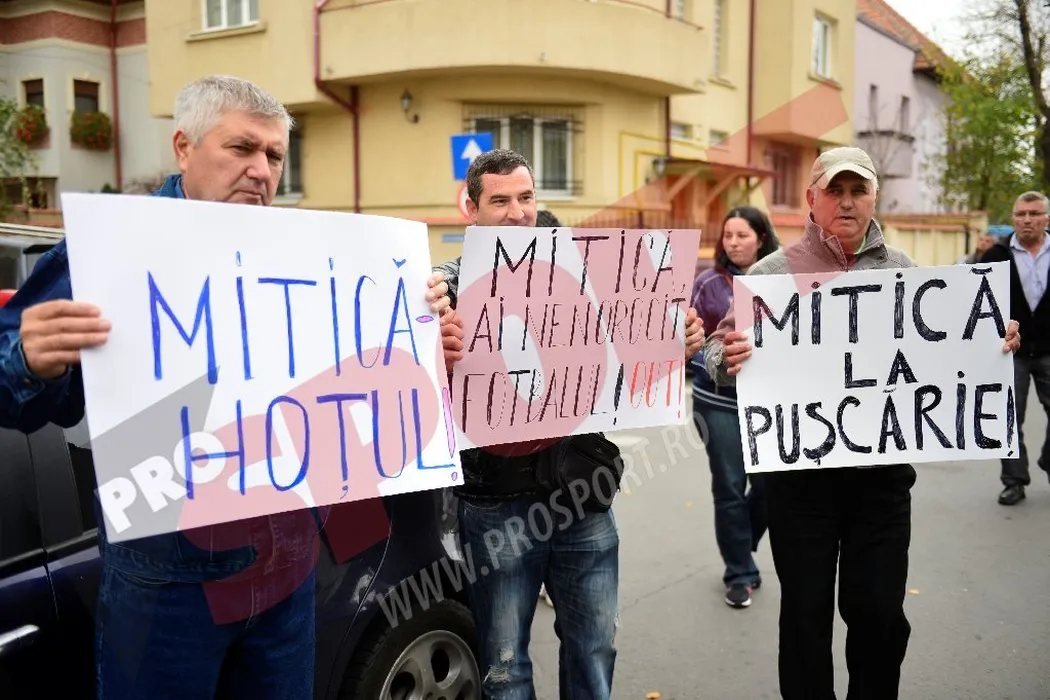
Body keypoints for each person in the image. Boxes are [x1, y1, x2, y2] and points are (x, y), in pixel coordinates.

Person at [0, 74, 459, 700]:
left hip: (289, 572)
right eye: (241, 148)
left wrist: (422, 342)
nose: (261, 170)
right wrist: (28, 361)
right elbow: (21, 397)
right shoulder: (113, 250)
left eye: (274, 155)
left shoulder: (311, 254)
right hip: (169, 589)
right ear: (184, 148)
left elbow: (355, 387)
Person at [702, 146, 1021, 700]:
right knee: (805, 617)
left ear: (874, 197)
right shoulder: (772, 274)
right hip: (799, 485)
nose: (847, 202)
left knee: (878, 612)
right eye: (835, 191)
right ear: (812, 198)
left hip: (881, 483)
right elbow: (715, 351)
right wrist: (724, 357)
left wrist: (992, 342)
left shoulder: (902, 270)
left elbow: (943, 352)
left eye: (858, 190)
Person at [435, 148, 705, 700]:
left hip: (584, 499)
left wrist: (675, 346)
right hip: (496, 506)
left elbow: (632, 355)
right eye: (501, 201)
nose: (517, 212)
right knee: (504, 666)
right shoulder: (447, 289)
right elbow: (415, 370)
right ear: (472, 209)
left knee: (595, 648)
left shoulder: (589, 272)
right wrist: (432, 342)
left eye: (526, 197)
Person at [689, 206, 779, 609]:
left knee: (768, 488)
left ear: (761, 238)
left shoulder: (782, 279)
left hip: (769, 407)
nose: (733, 243)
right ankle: (739, 572)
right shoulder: (707, 284)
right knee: (728, 488)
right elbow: (689, 347)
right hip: (717, 404)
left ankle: (741, 546)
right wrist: (717, 358)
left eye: (742, 235)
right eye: (728, 235)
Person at [978, 191, 1050, 505]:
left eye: (1034, 213)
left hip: (1049, 349)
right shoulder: (995, 255)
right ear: (1013, 219)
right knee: (1008, 418)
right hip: (1010, 351)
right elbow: (977, 300)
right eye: (1021, 214)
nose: (1027, 220)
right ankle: (1014, 481)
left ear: (1046, 219)